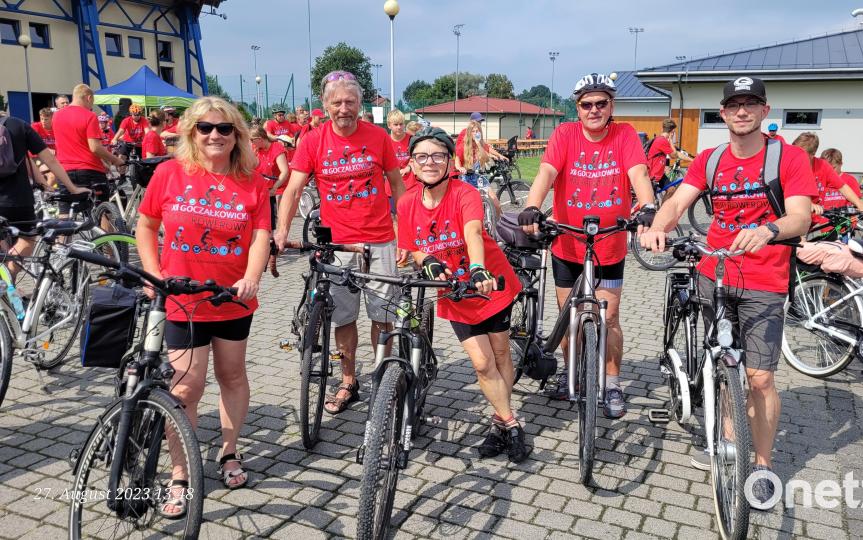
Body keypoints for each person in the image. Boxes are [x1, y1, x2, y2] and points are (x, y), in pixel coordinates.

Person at [639, 76, 816, 509]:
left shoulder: (788, 158)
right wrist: (657, 229)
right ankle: (728, 438)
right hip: (714, 274)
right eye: (734, 105)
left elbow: (801, 218)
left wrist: (769, 230)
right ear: (723, 113)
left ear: (764, 111)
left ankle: (761, 462)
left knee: (760, 377)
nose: (742, 111)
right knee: (721, 359)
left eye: (751, 104)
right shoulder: (710, 159)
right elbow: (677, 202)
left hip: (765, 280)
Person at [135, 97, 271, 514]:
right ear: (191, 132)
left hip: (231, 300)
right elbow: (146, 225)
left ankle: (229, 451)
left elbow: (260, 235)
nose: (215, 135)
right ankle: (181, 470)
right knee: (184, 387)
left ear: (237, 135)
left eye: (224, 128)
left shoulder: (253, 180)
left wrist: (252, 277)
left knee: (232, 376)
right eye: (205, 128)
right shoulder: (169, 173)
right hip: (181, 298)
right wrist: (153, 273)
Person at [519, 72, 656, 418]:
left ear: (612, 106)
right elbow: (546, 173)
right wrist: (531, 206)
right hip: (568, 244)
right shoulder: (565, 134)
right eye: (586, 104)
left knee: (609, 320)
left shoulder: (624, 134)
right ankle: (571, 374)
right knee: (569, 319)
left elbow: (638, 173)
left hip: (609, 245)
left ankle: (612, 384)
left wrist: (648, 206)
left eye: (601, 103)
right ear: (577, 108)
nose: (594, 109)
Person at [274, 70, 407, 415]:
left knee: (383, 315)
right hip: (338, 245)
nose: (344, 108)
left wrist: (407, 234)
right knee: (343, 318)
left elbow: (398, 186)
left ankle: (383, 377)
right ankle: (349, 379)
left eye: (350, 101)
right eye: (337, 102)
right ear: (325, 104)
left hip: (379, 239)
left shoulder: (378, 137)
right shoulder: (313, 141)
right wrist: (280, 231)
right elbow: (293, 189)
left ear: (360, 104)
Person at [396, 127, 529, 461]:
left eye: (437, 155)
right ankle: (512, 425)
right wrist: (425, 260)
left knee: (500, 355)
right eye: (421, 156)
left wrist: (478, 269)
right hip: (452, 291)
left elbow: (472, 232)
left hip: (487, 283)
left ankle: (499, 421)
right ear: (412, 163)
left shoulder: (464, 193)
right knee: (483, 363)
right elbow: (412, 246)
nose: (429, 162)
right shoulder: (407, 201)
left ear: (448, 160)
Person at [0, 114, 88, 276]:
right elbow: (50, 160)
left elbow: (27, 162)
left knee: (3, 252)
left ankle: (6, 287)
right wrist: (72, 188)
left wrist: (42, 183)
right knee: (27, 238)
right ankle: (7, 281)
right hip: (17, 200)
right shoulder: (18, 125)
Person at [51, 84, 126, 205]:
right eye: (92, 101)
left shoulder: (56, 116)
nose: (91, 105)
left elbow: (77, 145)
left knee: (65, 209)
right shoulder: (90, 116)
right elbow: (94, 147)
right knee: (102, 208)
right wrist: (116, 160)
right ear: (89, 97)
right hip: (89, 170)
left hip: (64, 169)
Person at [790, 133, 863, 221]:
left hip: (814, 217)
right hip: (793, 215)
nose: (794, 156)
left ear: (813, 154)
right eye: (793, 151)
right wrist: (807, 203)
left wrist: (861, 206)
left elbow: (842, 186)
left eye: (799, 153)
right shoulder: (790, 164)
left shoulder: (822, 165)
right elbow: (786, 192)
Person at [250, 126, 289, 229]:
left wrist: (274, 188)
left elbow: (284, 172)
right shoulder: (257, 150)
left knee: (276, 217)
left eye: (252, 140)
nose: (251, 143)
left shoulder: (276, 148)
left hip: (278, 186)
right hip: (263, 189)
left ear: (260, 138)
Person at [646, 119, 691, 199]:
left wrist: (692, 160)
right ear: (672, 131)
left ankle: (662, 210)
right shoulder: (662, 141)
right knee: (650, 202)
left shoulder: (661, 140)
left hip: (659, 175)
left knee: (671, 189)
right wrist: (670, 140)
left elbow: (677, 153)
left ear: (662, 129)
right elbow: (674, 155)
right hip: (653, 176)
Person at [386, 108, 414, 193]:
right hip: (391, 188)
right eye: (396, 124)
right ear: (389, 125)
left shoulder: (411, 139)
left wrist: (408, 167)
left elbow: (416, 158)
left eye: (401, 124)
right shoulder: (385, 141)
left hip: (410, 186)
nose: (399, 127)